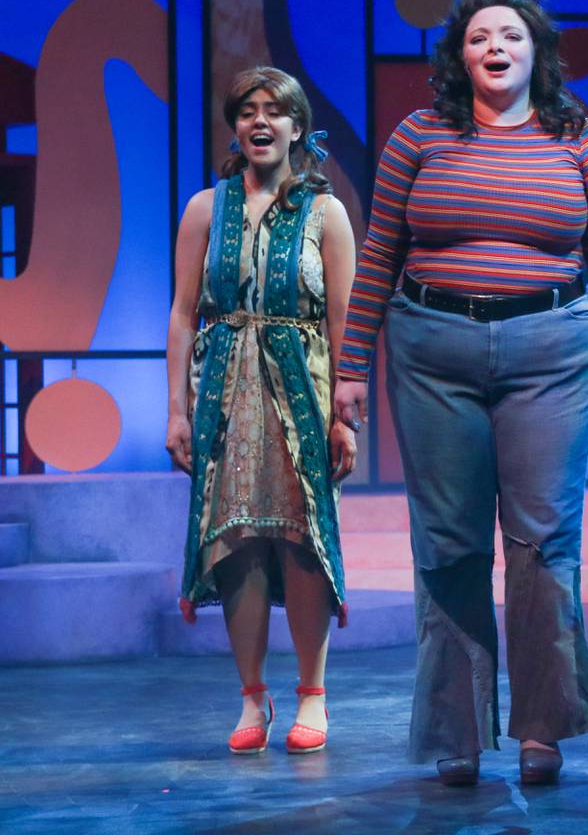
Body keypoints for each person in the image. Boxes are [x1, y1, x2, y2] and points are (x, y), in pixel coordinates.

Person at [332, 0, 588, 787]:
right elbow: (379, 252)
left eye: (512, 35)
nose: (496, 46)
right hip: (433, 353)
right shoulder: (418, 137)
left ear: (537, 52)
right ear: (460, 56)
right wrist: (351, 367)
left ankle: (543, 725)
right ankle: (458, 730)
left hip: (552, 350)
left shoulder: (579, 139)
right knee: (449, 542)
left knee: (543, 538)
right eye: (480, 37)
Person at [166, 66, 356, 756]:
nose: (260, 121)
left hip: (299, 392)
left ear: (297, 128)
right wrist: (176, 411)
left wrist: (346, 415)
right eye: (248, 110)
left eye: (274, 110)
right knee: (235, 542)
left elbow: (344, 323)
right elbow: (184, 316)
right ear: (236, 126)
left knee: (299, 538)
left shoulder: (324, 212)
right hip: (222, 392)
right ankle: (252, 694)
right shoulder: (203, 210)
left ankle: (312, 691)